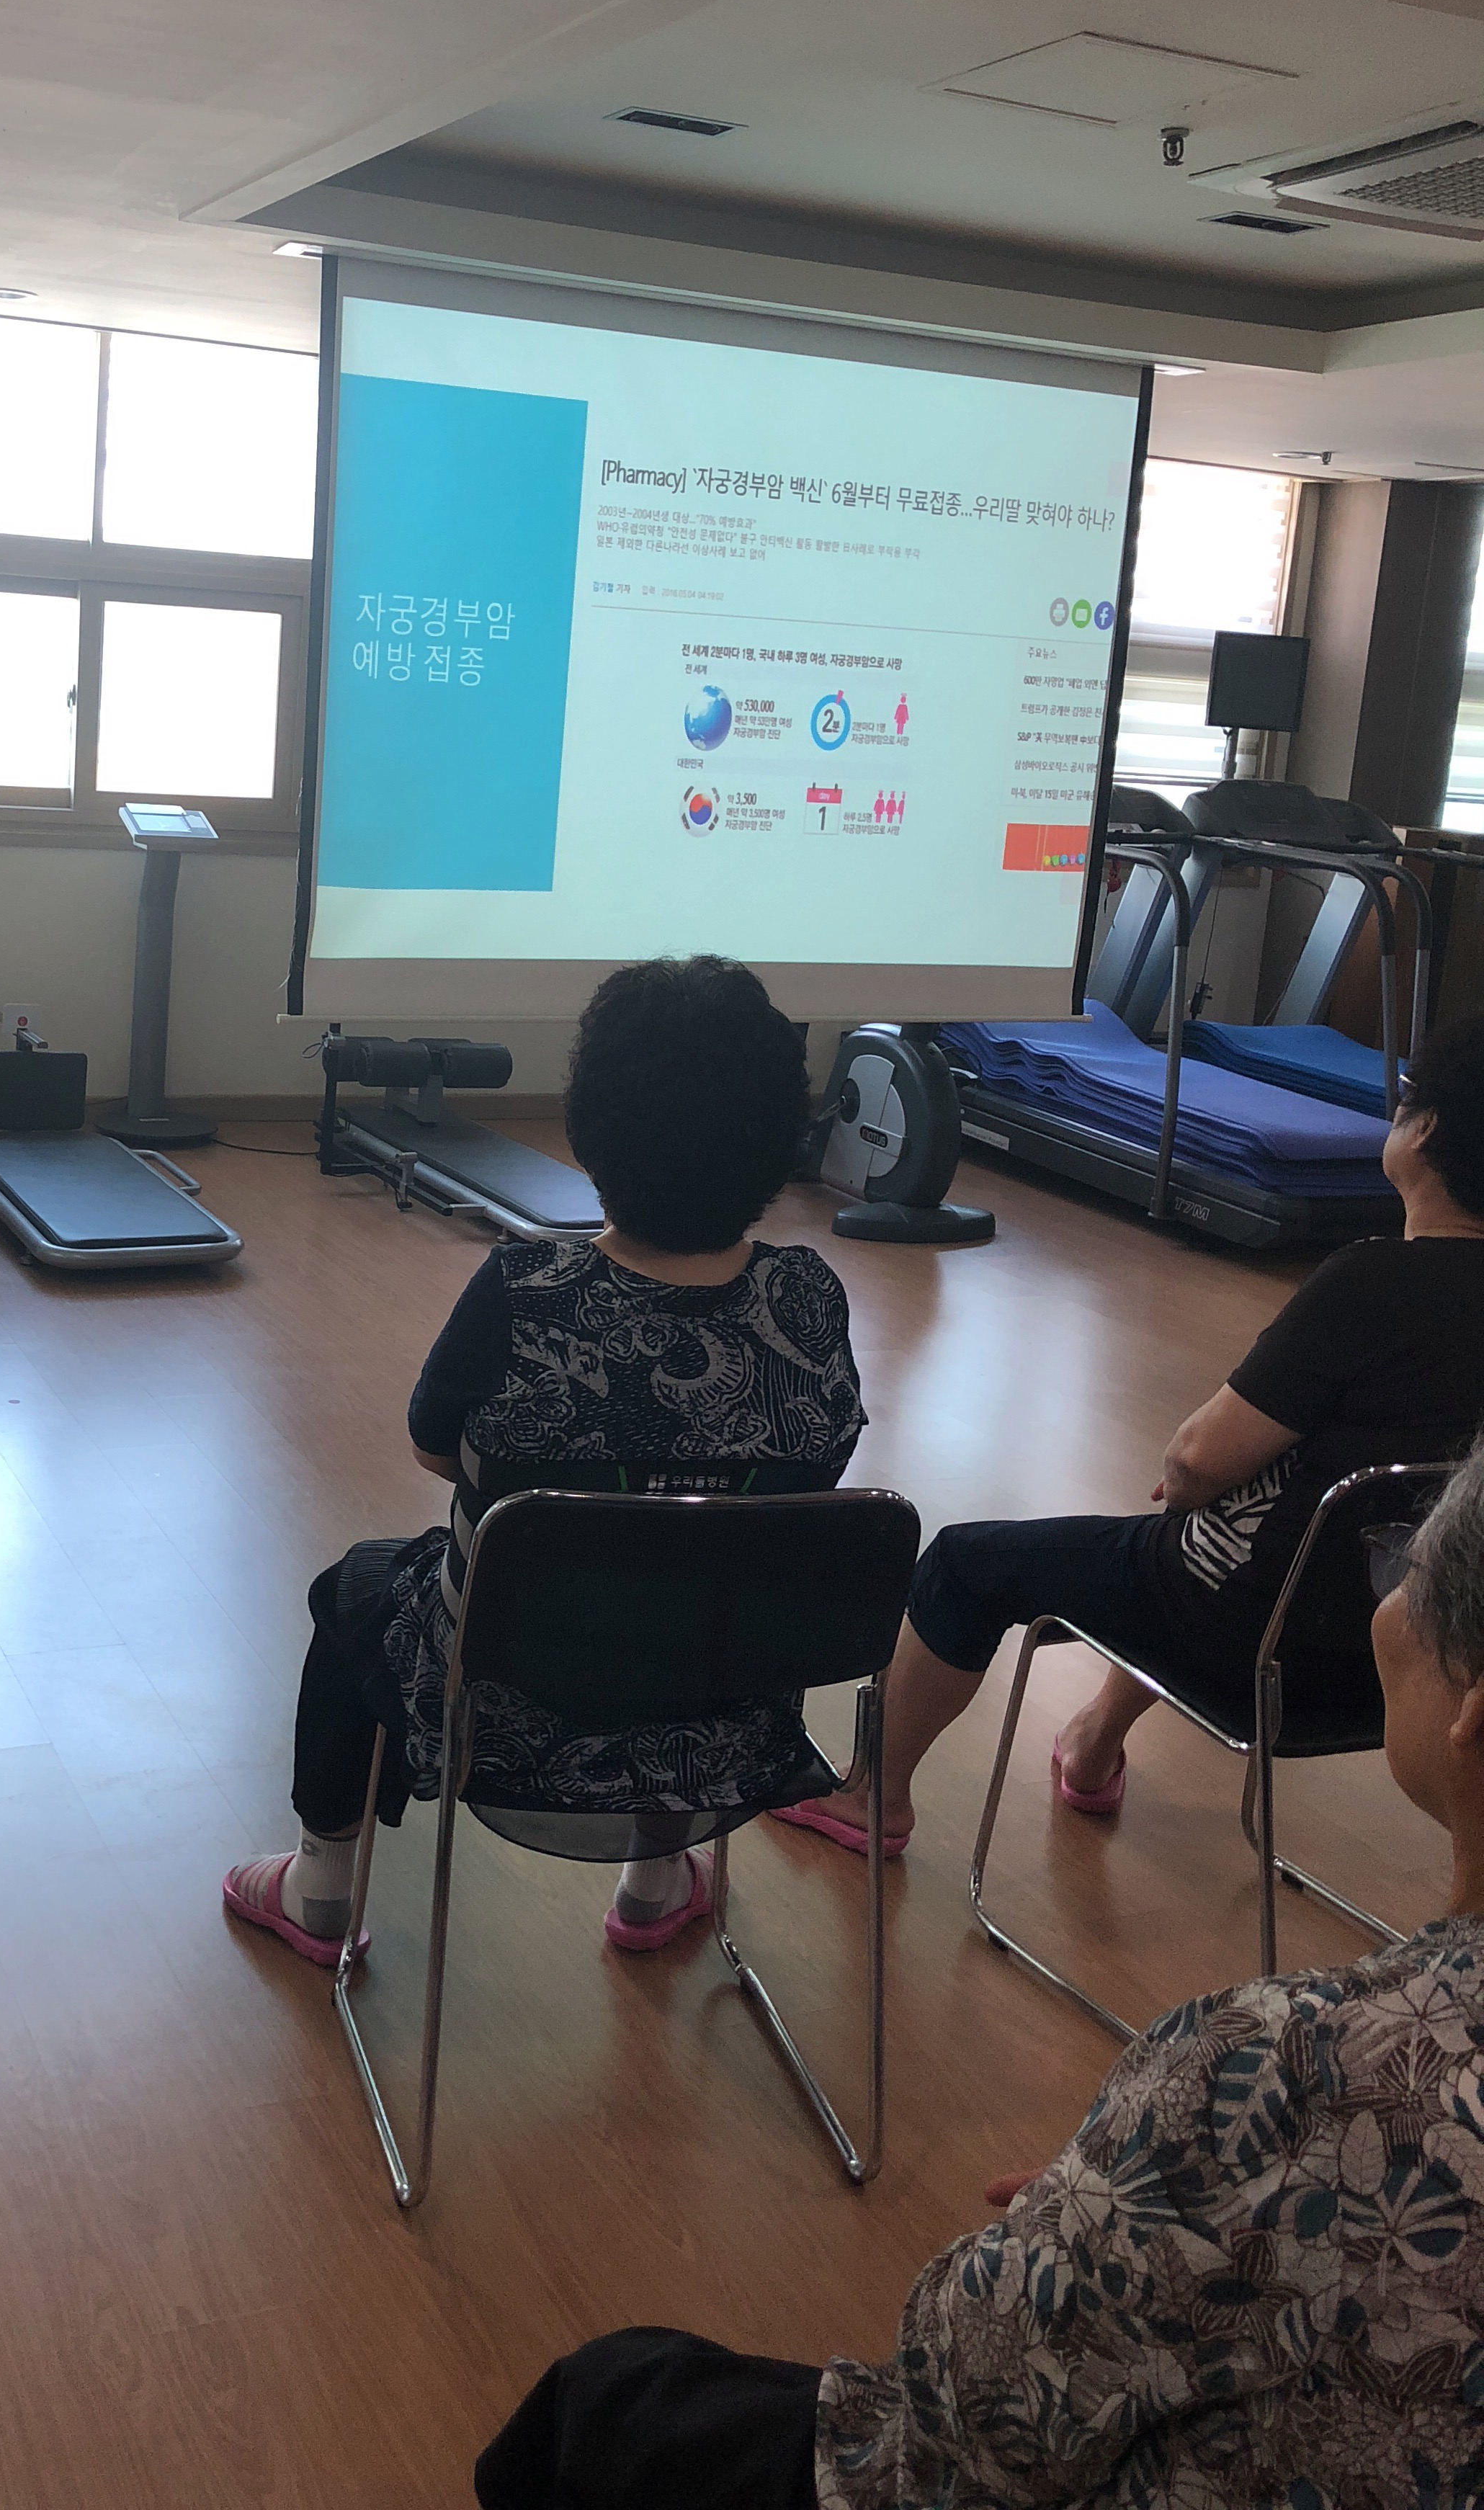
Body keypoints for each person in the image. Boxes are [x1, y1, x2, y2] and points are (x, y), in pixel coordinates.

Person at [476, 1429, 1484, 2510]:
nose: (1390, 1601)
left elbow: (970, 2403)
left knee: (607, 2403)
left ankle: (870, 1790)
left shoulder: (1289, 2075)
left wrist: (1085, 2227)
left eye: (1404, 1567)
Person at [222, 955, 867, 1962]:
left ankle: (320, 1889)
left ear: (588, 1129)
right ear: (783, 1140)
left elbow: (435, 1448)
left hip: (502, 1709)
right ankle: (655, 1884)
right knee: (693, 1592)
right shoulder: (811, 1300)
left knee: (352, 1591)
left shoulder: (523, 1291)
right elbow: (818, 1465)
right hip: (728, 1713)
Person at [776, 1011, 1484, 1860]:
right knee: (1178, 1543)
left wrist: (1193, 1480)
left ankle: (871, 1798)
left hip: (1256, 1650)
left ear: (1424, 1129)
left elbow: (1194, 1463)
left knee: (970, 1563)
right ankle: (1092, 1740)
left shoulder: (1373, 1283)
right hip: (1425, 1670)